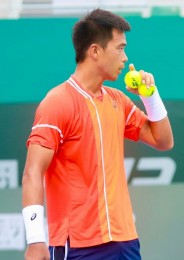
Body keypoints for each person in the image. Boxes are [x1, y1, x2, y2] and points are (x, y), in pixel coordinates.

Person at [21, 9, 173, 260]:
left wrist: (151, 96)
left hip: (125, 241)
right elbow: (32, 172)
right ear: (95, 51)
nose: (125, 58)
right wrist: (35, 239)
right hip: (78, 245)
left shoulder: (118, 100)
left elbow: (163, 141)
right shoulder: (57, 102)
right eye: (120, 48)